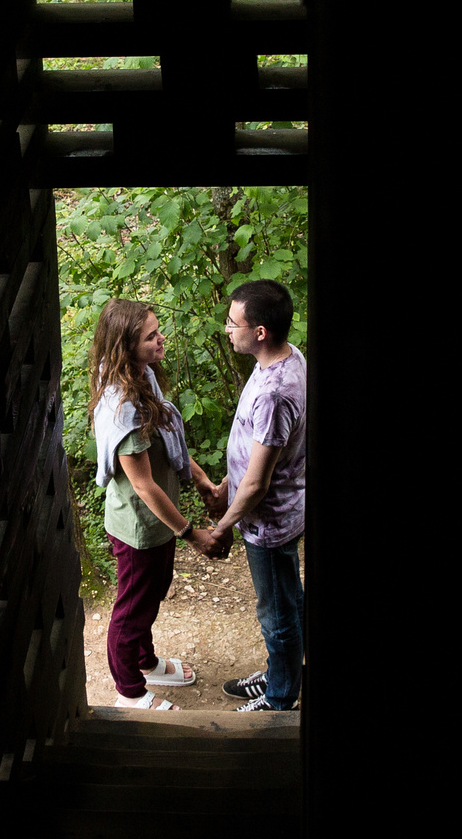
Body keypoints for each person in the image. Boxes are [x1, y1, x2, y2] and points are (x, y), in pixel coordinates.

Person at [89, 298, 226, 709]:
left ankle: (145, 662)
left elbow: (168, 441)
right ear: (124, 347)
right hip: (139, 528)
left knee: (152, 594)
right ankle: (129, 691)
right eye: (151, 336)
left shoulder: (142, 376)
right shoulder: (123, 407)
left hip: (157, 523)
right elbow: (145, 487)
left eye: (158, 329)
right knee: (131, 611)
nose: (161, 338)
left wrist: (199, 478)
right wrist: (191, 534)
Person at [196, 279, 306, 712]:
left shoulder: (275, 393)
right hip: (275, 511)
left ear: (260, 331)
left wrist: (221, 528)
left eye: (233, 322)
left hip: (270, 520)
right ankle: (284, 672)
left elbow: (259, 483)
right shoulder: (288, 357)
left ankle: (280, 697)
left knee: (276, 613)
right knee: (288, 599)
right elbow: (257, 450)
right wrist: (226, 484)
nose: (227, 329)